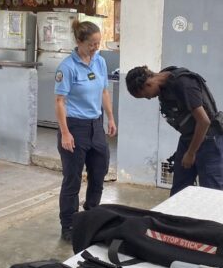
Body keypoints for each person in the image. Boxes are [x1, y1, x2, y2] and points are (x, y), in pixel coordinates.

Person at [54, 20, 115, 241]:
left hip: (95, 125)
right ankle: (68, 225)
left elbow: (105, 92)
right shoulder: (67, 67)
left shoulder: (99, 61)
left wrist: (110, 117)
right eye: (92, 44)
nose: (96, 47)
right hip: (74, 127)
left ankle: (91, 217)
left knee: (99, 173)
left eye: (98, 43)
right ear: (79, 42)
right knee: (72, 179)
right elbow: (60, 101)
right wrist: (66, 132)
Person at [126, 65, 223, 195]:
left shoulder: (184, 84)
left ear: (148, 84)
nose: (149, 98)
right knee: (179, 191)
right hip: (188, 138)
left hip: (208, 140)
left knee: (212, 193)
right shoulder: (165, 83)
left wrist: (190, 153)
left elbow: (204, 122)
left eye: (145, 95)